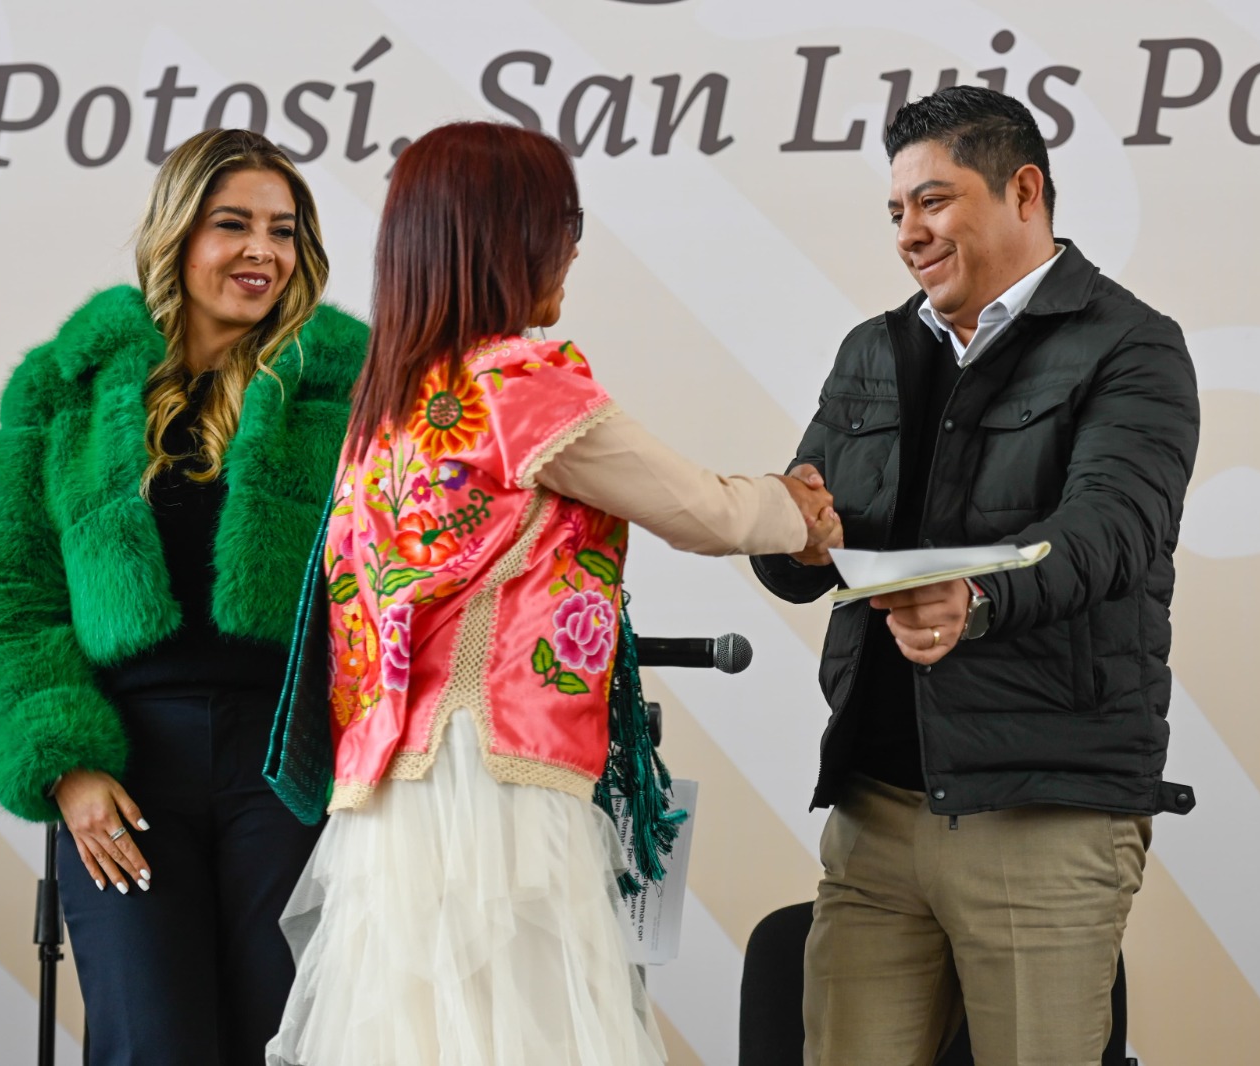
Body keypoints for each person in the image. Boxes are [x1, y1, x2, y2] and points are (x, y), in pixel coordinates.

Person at [264, 120, 836, 1066]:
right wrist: (799, 512)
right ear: (506, 235)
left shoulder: (388, 409)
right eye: (562, 220)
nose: (573, 245)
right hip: (499, 789)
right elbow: (703, 512)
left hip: (392, 803)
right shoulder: (522, 390)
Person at [750, 86, 1201, 1066]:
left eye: (935, 200)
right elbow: (807, 540)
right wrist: (792, 535)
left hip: (1042, 814)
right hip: (874, 814)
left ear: (1024, 190)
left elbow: (1110, 531)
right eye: (897, 210)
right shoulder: (870, 350)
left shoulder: (1130, 347)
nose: (910, 232)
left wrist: (979, 599)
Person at [0, 128, 369, 1065]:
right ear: (178, 234)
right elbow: (5, 594)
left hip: (293, 761)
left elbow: (394, 581)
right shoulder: (67, 389)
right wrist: (65, 765)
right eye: (234, 225)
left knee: (291, 1040)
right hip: (126, 766)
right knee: (151, 1044)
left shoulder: (348, 391)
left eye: (284, 230)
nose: (263, 251)